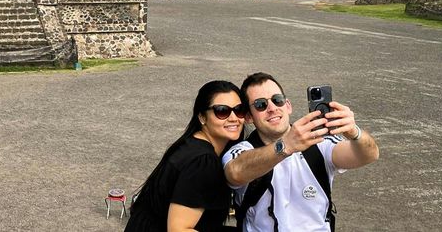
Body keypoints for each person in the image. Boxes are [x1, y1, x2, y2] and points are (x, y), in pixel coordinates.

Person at [223, 73, 379, 231]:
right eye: (260, 105)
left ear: (288, 105)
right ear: (249, 117)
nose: (272, 108)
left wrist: (354, 132)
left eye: (277, 100)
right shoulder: (242, 150)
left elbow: (369, 155)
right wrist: (285, 146)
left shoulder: (320, 143)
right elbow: (235, 172)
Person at [126, 80, 247, 231]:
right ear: (202, 117)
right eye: (222, 111)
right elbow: (179, 229)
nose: (234, 118)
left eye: (239, 109)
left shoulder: (191, 144)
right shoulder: (203, 162)